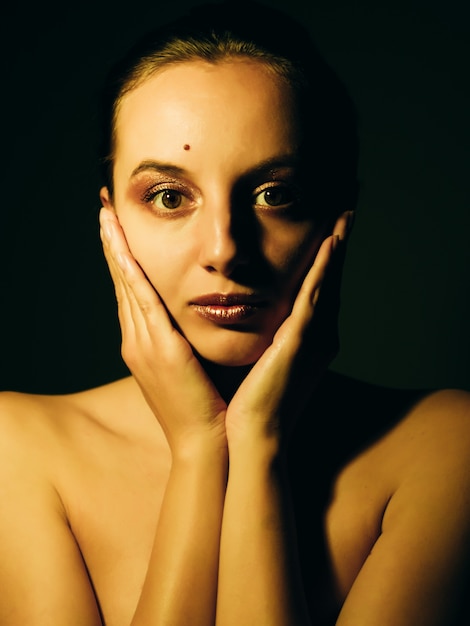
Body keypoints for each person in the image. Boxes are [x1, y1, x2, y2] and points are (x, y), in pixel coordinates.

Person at [0, 1, 469, 624]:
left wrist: (258, 451)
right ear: (110, 222)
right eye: (169, 196)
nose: (225, 248)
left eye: (276, 195)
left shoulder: (446, 447)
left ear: (338, 215)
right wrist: (199, 449)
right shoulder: (18, 448)